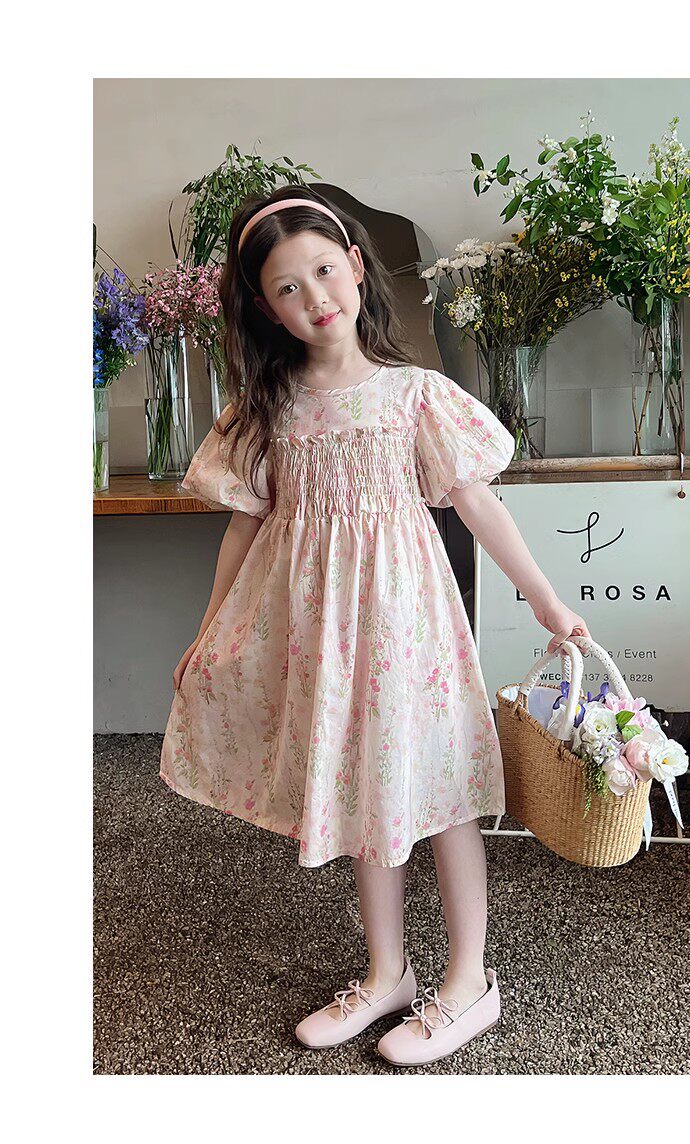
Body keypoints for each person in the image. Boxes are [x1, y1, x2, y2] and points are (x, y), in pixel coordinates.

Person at [159, 185, 590, 1068]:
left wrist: (545, 599)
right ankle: (388, 972)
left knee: (443, 791)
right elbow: (243, 527)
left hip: (411, 628)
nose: (314, 297)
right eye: (287, 287)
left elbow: (477, 502)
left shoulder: (415, 395)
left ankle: (468, 981)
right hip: (323, 634)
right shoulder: (268, 411)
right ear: (265, 309)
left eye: (324, 270)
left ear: (356, 267)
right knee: (364, 789)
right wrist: (208, 631)